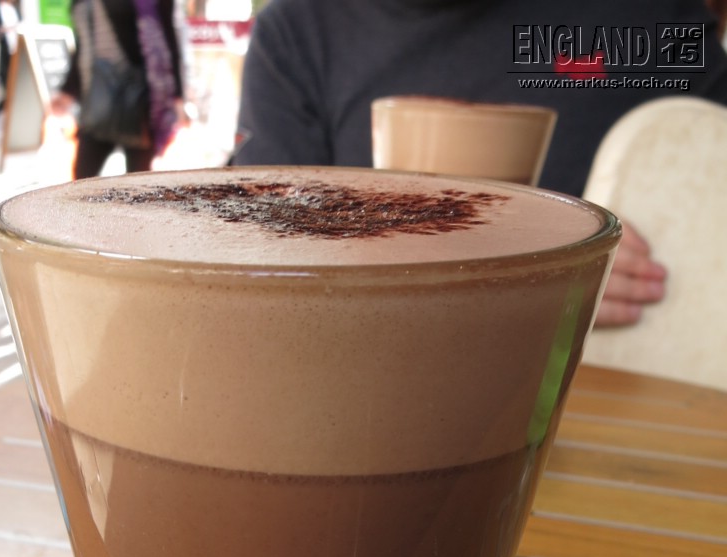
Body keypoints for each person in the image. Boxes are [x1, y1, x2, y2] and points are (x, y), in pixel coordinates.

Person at [234, 0, 727, 328]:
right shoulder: (297, 32)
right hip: (369, 384)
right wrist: (531, 286)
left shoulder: (646, 17)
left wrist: (676, 256)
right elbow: (265, 269)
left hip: (626, 392)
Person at [53, 0, 183, 178]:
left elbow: (169, 39)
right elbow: (82, 44)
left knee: (138, 182)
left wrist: (178, 97)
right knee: (82, 177)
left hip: (138, 100)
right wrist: (67, 90)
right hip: (94, 100)